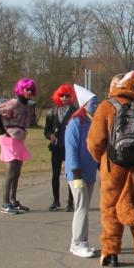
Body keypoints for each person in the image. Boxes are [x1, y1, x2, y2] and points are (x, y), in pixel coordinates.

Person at [87, 71, 134, 267]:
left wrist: (104, 159)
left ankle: (111, 253)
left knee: (110, 209)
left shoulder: (105, 107)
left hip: (113, 167)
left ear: (117, 85)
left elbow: (94, 142)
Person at [0, 78, 38, 214]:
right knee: (11, 172)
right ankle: (5, 203)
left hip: (18, 139)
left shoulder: (27, 104)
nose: (29, 92)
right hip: (9, 138)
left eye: (31, 90)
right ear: (21, 90)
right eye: (27, 89)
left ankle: (13, 200)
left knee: (17, 172)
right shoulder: (14, 102)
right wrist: (2, 132)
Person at [64, 85, 100, 257]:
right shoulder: (75, 123)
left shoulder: (92, 122)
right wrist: (76, 172)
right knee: (81, 207)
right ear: (84, 105)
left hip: (89, 172)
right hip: (77, 174)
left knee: (85, 207)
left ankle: (77, 242)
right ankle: (79, 243)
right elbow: (71, 150)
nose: (96, 106)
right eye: (93, 103)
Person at [43, 83, 78, 212]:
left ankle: (71, 202)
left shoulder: (76, 111)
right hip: (57, 147)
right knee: (55, 174)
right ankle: (56, 201)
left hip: (70, 148)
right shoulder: (52, 112)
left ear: (71, 96)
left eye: (67, 95)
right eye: (62, 95)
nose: (64, 98)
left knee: (71, 174)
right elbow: (46, 130)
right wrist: (50, 136)